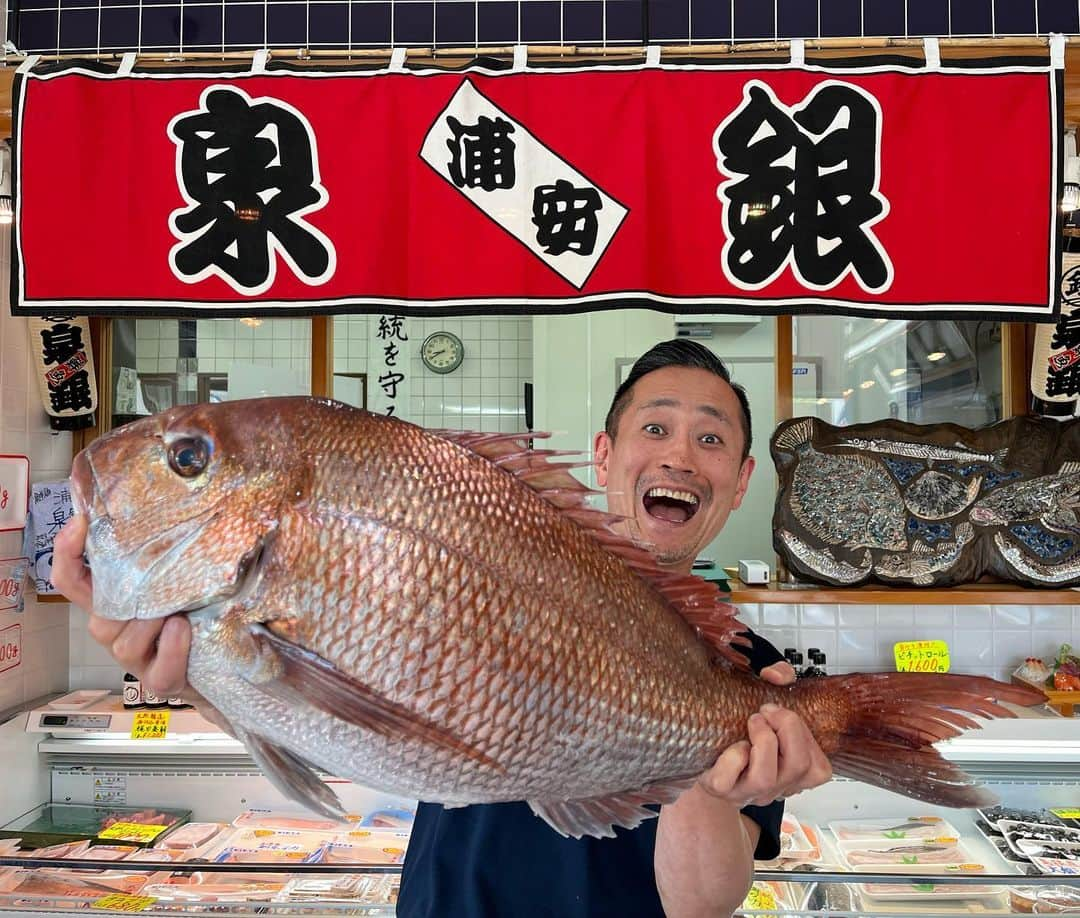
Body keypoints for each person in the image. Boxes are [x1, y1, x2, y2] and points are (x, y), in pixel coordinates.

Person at [52, 338, 832, 918]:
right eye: (655, 430)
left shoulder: (744, 668)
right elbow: (320, 715)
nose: (681, 458)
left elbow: (701, 906)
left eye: (712, 439)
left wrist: (708, 757)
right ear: (605, 455)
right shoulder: (519, 548)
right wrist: (193, 674)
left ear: (739, 483)